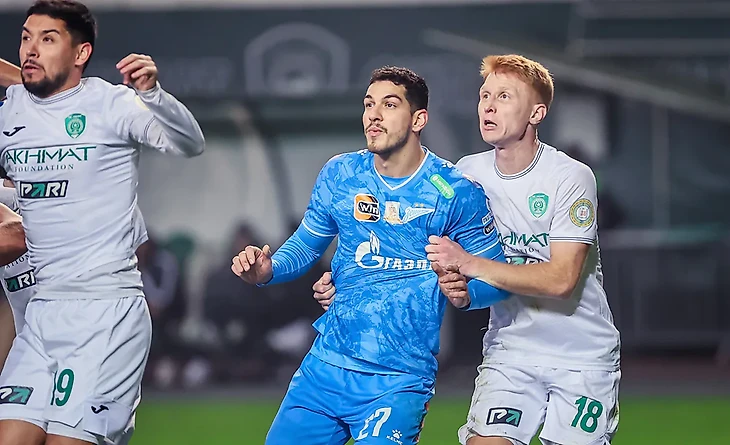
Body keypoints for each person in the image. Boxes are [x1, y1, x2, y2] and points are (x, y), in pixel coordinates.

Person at [314, 55, 621, 445]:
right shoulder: (464, 176)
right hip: (510, 352)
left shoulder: (570, 176)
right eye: (484, 96)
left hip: (581, 356)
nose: (488, 106)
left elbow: (561, 280)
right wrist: (351, 285)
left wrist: (469, 263)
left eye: (504, 96)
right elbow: (413, 257)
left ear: (537, 113)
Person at [232, 66, 508, 445]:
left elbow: (501, 279)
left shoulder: (455, 192)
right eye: (368, 104)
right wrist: (268, 270)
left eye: (389, 105)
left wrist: (466, 294)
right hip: (325, 368)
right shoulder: (340, 174)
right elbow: (306, 245)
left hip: (398, 380)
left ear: (418, 119)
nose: (373, 115)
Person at [0, 1, 205, 445]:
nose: (30, 48)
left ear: (81, 53)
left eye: (47, 39)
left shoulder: (111, 103)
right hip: (41, 313)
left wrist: (154, 94)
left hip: (105, 310)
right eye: (25, 38)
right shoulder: (12, 109)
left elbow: (190, 143)